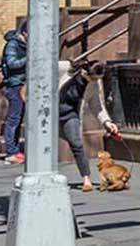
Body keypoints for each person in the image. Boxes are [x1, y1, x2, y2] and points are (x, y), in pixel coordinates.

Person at [56, 60, 121, 189]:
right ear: (85, 72)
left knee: (77, 144)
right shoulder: (66, 68)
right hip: (49, 113)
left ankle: (86, 178)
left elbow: (96, 104)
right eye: (93, 78)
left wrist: (107, 122)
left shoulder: (94, 83)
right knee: (46, 147)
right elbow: (43, 67)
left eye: (98, 79)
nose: (94, 81)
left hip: (70, 114)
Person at [0, 16, 29, 163]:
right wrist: (29, 58)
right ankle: (11, 152)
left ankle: (15, 150)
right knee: (14, 119)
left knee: (18, 118)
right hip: (15, 85)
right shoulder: (13, 45)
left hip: (23, 84)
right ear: (24, 33)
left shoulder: (24, 45)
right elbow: (11, 64)